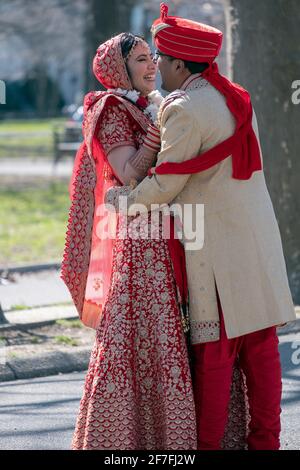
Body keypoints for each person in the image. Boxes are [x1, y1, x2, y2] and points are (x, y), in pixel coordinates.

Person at [106, 4, 296, 450]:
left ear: (178, 62)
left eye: (160, 58)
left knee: (215, 358)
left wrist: (123, 201)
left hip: (216, 252)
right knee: (262, 350)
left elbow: (167, 182)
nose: (156, 65)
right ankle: (266, 443)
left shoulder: (186, 108)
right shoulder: (235, 95)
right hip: (257, 243)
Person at [61, 32, 249, 450]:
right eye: (142, 59)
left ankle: (188, 436)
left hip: (171, 230)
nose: (152, 66)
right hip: (140, 240)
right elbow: (128, 173)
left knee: (180, 331)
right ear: (119, 69)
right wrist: (156, 134)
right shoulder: (111, 110)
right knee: (146, 335)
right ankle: (131, 440)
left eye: (153, 58)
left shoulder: (148, 105)